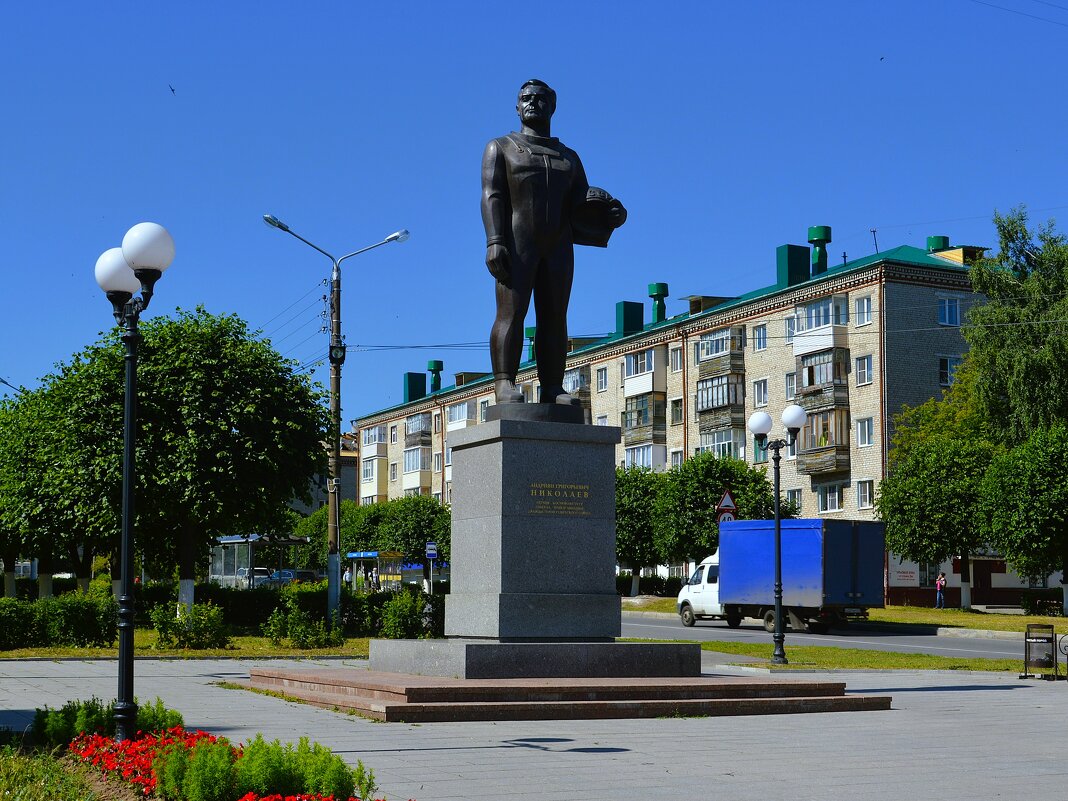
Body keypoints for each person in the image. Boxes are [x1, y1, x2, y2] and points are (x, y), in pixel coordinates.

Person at [482, 79, 627, 405]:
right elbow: (491, 195)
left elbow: (584, 204)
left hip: (559, 245)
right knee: (511, 313)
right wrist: (495, 240)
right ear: (517, 107)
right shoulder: (501, 148)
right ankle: (505, 383)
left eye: (539, 98)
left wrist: (614, 213)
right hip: (517, 244)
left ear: (553, 106)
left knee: (555, 316)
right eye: (525, 98)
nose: (532, 103)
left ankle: (552, 387)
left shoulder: (569, 158)